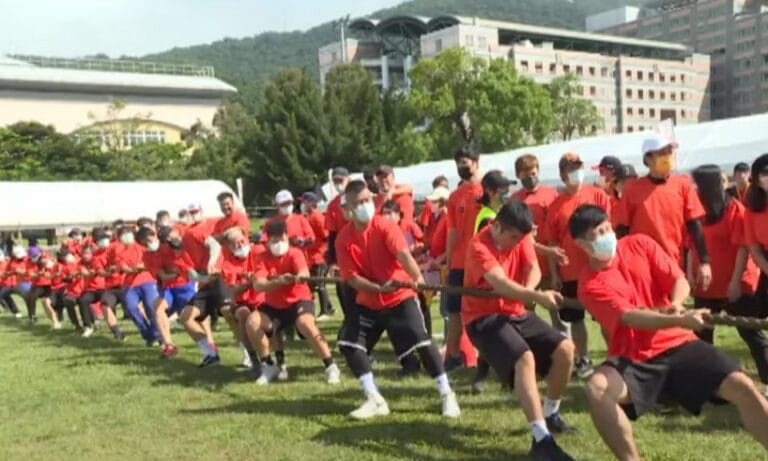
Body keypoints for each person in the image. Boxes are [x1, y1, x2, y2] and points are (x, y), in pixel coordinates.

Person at [570, 204, 768, 460]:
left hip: (679, 343)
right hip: (634, 357)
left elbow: (679, 280)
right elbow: (630, 317)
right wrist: (681, 319)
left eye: (608, 228)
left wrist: (676, 303)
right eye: (598, 233)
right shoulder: (589, 284)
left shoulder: (640, 244)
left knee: (743, 386)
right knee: (597, 389)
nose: (607, 236)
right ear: (582, 245)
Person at [336, 180, 460, 419]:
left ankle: (447, 393)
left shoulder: (385, 226)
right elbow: (351, 278)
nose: (365, 205)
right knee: (350, 344)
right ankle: (374, 398)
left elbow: (403, 255)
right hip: (369, 300)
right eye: (359, 202)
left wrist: (418, 278)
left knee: (422, 343)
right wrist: (376, 287)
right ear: (348, 208)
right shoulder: (343, 239)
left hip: (400, 296)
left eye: (367, 200)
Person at [464, 202, 576, 460]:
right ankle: (541, 439)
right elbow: (501, 285)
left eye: (520, 238)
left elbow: (533, 268)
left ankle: (551, 415)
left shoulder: (521, 236)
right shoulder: (478, 246)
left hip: (516, 312)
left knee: (566, 350)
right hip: (483, 318)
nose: (517, 242)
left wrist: (529, 292)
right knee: (524, 358)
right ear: (497, 227)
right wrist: (535, 296)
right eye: (513, 237)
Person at [689, 164, 768, 394]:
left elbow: (743, 249)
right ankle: (709, 386)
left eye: (699, 184)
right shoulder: (696, 210)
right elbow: (691, 244)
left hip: (735, 282)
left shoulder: (735, 209)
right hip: (706, 284)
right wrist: (689, 272)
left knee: (750, 332)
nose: (696, 189)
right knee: (702, 335)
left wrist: (735, 283)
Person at [251, 219, 341, 385]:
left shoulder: (295, 253)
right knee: (252, 322)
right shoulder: (261, 257)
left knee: (305, 323)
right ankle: (269, 365)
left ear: (287, 237)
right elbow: (258, 285)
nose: (278, 243)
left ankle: (331, 366)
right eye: (274, 240)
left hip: (299, 301)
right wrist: (278, 282)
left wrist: (298, 277)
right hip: (273, 305)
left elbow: (303, 272)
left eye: (281, 239)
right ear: (268, 241)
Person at [615, 134, 712, 287]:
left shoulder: (683, 185)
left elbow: (695, 225)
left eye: (669, 152)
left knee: (674, 301)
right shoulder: (632, 189)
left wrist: (704, 261)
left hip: (674, 263)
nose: (667, 157)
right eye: (661, 153)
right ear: (647, 159)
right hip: (641, 265)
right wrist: (622, 262)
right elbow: (622, 230)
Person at [545, 153, 610, 378]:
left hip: (598, 267)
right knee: (576, 318)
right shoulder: (556, 206)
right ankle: (584, 359)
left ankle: (616, 357)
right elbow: (552, 242)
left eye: (579, 167)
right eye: (572, 168)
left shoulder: (597, 195)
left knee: (606, 315)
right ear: (563, 174)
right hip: (570, 271)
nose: (577, 172)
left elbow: (609, 230)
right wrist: (555, 274)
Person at [511, 154, 569, 337]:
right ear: (518, 175)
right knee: (526, 311)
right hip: (525, 265)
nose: (530, 176)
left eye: (533, 172)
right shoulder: (514, 200)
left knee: (558, 310)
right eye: (525, 173)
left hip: (550, 263)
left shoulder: (552, 194)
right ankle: (532, 344)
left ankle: (567, 346)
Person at [470, 169, 516, 391]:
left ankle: (491, 375)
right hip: (490, 280)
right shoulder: (488, 217)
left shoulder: (496, 213)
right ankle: (491, 376)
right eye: (503, 188)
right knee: (496, 330)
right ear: (490, 191)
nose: (508, 192)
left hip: (497, 276)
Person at [444, 146, 483, 372]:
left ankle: (486, 358)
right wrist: (449, 260)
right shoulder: (455, 196)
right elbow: (453, 231)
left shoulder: (487, 190)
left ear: (476, 162)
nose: (461, 166)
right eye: (458, 163)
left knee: (483, 309)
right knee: (454, 311)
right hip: (460, 263)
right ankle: (453, 356)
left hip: (482, 262)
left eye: (465, 162)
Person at [221, 227, 266, 369]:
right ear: (229, 247)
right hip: (242, 302)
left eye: (242, 240)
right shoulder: (227, 265)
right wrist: (249, 283)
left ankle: (272, 356)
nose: (240, 245)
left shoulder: (259, 251)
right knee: (243, 314)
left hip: (263, 299)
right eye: (235, 243)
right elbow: (233, 290)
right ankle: (252, 356)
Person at [152, 226, 197, 358]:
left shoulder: (186, 246)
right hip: (169, 288)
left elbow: (191, 269)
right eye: (165, 239)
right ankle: (169, 345)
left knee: (195, 320)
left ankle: (210, 348)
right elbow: (163, 275)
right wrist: (176, 273)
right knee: (159, 309)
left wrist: (177, 272)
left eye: (170, 235)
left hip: (187, 286)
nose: (169, 240)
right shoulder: (161, 251)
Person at [115, 226, 161, 346]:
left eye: (128, 233)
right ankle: (148, 334)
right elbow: (124, 268)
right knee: (131, 308)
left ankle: (157, 334)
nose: (126, 236)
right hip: (130, 285)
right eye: (123, 234)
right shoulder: (120, 254)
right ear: (119, 238)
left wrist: (143, 267)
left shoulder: (142, 247)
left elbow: (150, 261)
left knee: (151, 307)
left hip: (148, 281)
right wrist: (136, 269)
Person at [325, 167, 353, 318]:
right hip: (343, 251)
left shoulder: (361, 197)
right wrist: (332, 261)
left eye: (341, 180)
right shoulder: (332, 205)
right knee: (342, 287)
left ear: (349, 179)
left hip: (362, 248)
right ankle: (349, 319)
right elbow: (332, 235)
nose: (338, 184)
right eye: (335, 181)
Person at [300, 192, 334, 319]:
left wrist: (313, 242)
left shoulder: (317, 216)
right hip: (312, 256)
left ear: (311, 203)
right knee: (316, 283)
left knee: (320, 284)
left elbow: (326, 235)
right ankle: (329, 307)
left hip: (319, 255)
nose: (302, 204)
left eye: (304, 201)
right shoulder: (309, 216)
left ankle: (326, 311)